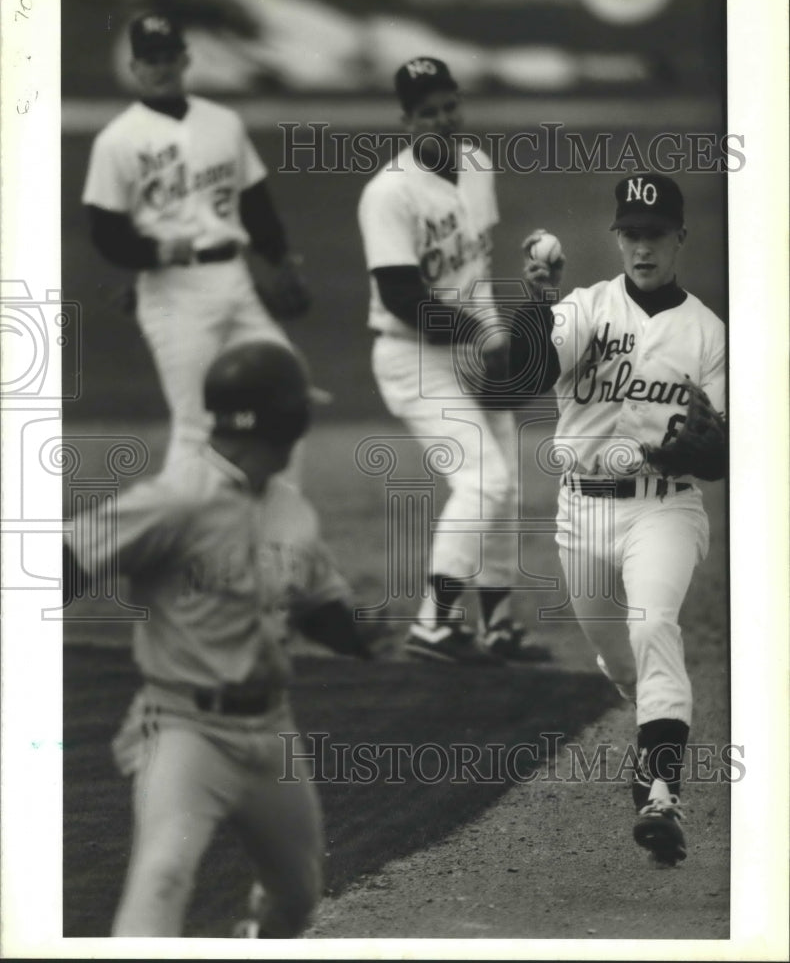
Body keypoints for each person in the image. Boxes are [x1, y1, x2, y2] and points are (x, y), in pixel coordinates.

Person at [64, 340, 372, 937]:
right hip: (186, 728)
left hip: (271, 732)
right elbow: (67, 556)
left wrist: (365, 637)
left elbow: (317, 605)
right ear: (284, 420)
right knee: (162, 875)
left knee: (297, 898)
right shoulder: (179, 500)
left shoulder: (291, 510)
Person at [517, 173, 726, 865]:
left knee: (654, 624)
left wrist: (704, 445)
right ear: (618, 238)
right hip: (579, 514)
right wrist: (536, 301)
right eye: (632, 235)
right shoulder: (588, 309)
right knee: (619, 658)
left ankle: (661, 791)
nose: (643, 248)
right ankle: (653, 734)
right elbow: (526, 368)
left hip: (663, 510)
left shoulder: (707, 334)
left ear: (679, 239)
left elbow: (720, 454)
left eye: (656, 235)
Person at [357, 56, 535, 665]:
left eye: (448, 106)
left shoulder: (478, 166)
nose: (442, 119)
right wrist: (480, 338)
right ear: (406, 121)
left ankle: (497, 624)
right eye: (427, 112)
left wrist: (493, 340)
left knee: (505, 481)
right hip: (413, 357)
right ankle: (434, 624)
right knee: (482, 478)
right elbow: (402, 298)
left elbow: (476, 273)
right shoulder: (388, 193)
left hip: (468, 345)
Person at [82, 12, 310, 473]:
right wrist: (155, 252)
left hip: (234, 279)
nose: (162, 67)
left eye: (169, 56)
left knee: (287, 393)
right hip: (172, 291)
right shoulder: (117, 141)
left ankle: (277, 534)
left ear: (186, 59)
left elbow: (255, 202)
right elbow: (106, 231)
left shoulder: (223, 122)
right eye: (151, 59)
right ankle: (180, 536)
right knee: (196, 422)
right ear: (135, 68)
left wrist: (280, 258)